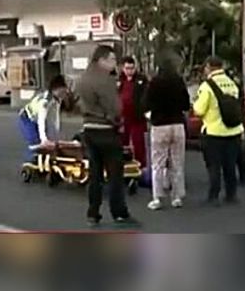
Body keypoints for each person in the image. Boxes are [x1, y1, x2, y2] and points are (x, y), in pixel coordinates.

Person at [76, 45, 137, 227]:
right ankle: (119, 212)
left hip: (89, 128)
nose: (114, 64)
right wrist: (117, 119)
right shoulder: (106, 80)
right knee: (115, 174)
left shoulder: (82, 78)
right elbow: (116, 107)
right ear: (101, 60)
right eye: (111, 59)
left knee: (95, 174)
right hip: (106, 129)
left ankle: (93, 212)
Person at [193, 56, 244, 206]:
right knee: (230, 165)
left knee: (214, 166)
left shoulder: (207, 86)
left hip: (214, 132)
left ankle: (214, 196)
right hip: (233, 130)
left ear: (209, 67)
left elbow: (199, 110)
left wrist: (195, 104)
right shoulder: (232, 83)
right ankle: (231, 195)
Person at [143, 53, 190, 210]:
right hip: (177, 124)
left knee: (158, 163)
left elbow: (146, 104)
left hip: (159, 125)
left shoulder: (155, 82)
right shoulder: (179, 81)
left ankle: (157, 198)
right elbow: (186, 104)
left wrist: (150, 114)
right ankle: (177, 197)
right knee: (177, 162)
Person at [17, 75, 70, 161]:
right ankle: (31, 162)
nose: (65, 93)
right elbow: (41, 120)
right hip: (27, 118)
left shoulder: (57, 99)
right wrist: (44, 139)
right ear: (56, 89)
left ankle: (43, 161)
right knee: (36, 145)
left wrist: (56, 136)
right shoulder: (45, 101)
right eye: (63, 91)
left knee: (47, 145)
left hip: (36, 118)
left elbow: (55, 118)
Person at [118, 56, 149, 179]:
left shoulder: (141, 80)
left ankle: (141, 167)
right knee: (122, 142)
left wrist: (143, 109)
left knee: (138, 143)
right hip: (122, 118)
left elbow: (146, 95)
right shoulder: (119, 80)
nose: (129, 71)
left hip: (137, 117)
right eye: (127, 68)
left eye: (131, 68)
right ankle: (123, 166)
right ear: (123, 68)